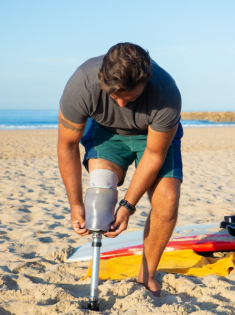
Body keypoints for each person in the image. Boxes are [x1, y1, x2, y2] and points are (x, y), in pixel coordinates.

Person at [58, 42, 183, 296]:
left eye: (132, 97)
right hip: (107, 133)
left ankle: (147, 275)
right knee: (100, 192)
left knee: (168, 200)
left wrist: (127, 206)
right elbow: (67, 145)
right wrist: (75, 204)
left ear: (146, 82)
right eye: (115, 97)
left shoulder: (166, 94)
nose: (123, 105)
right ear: (102, 79)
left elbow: (154, 153)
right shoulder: (82, 84)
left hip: (152, 136)